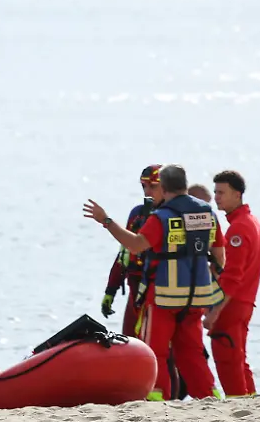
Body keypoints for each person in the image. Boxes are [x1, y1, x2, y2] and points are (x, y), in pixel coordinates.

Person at [83, 164, 224, 401]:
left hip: (163, 298)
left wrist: (106, 221)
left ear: (165, 187)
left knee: (153, 353)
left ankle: (156, 400)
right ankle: (211, 399)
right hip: (196, 299)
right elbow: (220, 257)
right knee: (193, 354)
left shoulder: (161, 217)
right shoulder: (207, 214)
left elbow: (135, 245)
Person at [208, 170, 260, 398]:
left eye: (222, 192)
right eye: (215, 192)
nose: (216, 197)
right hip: (244, 302)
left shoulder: (239, 228)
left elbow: (233, 277)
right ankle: (250, 401)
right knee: (238, 358)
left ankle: (238, 404)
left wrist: (215, 311)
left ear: (237, 194)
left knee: (228, 360)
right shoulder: (251, 222)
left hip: (233, 304)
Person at [102, 165, 163, 337]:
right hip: (135, 290)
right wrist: (110, 290)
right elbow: (125, 253)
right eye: (144, 186)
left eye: (153, 186)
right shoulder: (138, 214)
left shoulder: (171, 216)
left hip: (160, 293)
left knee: (160, 347)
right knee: (129, 341)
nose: (147, 192)